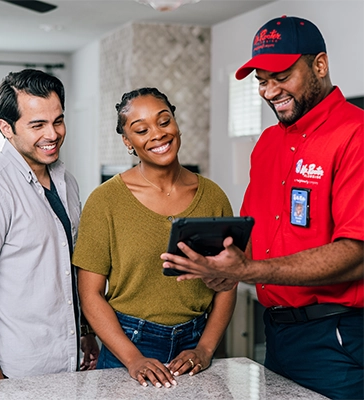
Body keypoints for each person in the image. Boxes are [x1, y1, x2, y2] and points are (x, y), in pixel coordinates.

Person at [160, 15, 364, 400]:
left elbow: (356, 255)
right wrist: (222, 270)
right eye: (261, 81)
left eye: (281, 76)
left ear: (319, 64)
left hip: (337, 337)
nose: (270, 91)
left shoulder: (356, 133)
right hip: (278, 334)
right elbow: (257, 239)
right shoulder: (268, 142)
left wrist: (247, 269)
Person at [72, 87, 236, 388]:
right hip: (127, 345)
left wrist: (205, 348)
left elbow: (228, 281)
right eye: (141, 129)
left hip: (196, 347)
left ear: (176, 123)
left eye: (164, 121)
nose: (157, 134)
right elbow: (90, 294)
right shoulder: (105, 201)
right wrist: (133, 358)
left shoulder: (213, 196)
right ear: (128, 142)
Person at [0, 69, 99, 382]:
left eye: (58, 121)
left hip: (67, 365)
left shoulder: (67, 182)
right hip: (12, 373)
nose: (52, 134)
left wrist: (85, 333)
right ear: (6, 128)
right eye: (37, 125)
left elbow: (68, 270)